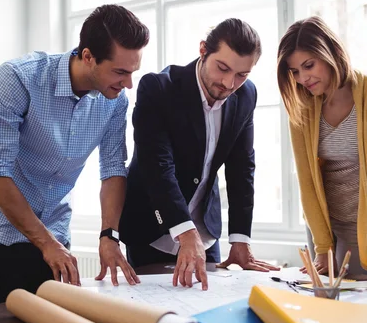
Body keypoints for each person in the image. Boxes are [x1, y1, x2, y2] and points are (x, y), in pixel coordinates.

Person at [0, 4, 150, 287]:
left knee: (53, 320)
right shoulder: (16, 79)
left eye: (133, 71)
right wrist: (45, 243)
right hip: (1, 225)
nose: (128, 84)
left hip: (56, 224)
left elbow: (113, 169)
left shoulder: (115, 100)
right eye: (120, 71)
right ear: (89, 57)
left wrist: (109, 235)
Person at [119, 18, 280, 291]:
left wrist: (240, 240)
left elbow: (242, 168)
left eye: (242, 75)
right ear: (203, 50)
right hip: (154, 229)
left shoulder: (246, 95)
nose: (229, 83)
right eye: (223, 68)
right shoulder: (159, 89)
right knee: (157, 313)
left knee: (210, 303)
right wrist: (184, 231)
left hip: (205, 230)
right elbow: (157, 166)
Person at [277, 16, 367, 291]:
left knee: (364, 301)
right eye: (294, 71)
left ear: (329, 53)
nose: (302, 78)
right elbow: (306, 180)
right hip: (321, 223)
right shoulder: (302, 106)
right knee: (325, 300)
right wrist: (323, 246)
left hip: (362, 223)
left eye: (308, 65)